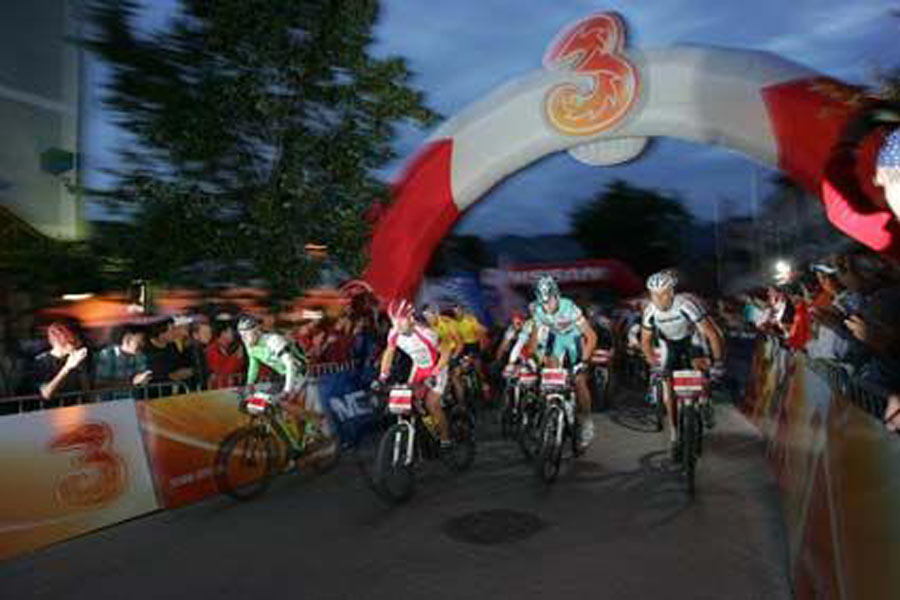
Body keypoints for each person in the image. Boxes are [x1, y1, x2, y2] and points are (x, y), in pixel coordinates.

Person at [640, 270, 725, 461]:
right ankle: (675, 434)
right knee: (668, 386)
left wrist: (718, 363)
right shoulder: (650, 311)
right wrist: (653, 363)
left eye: (664, 294)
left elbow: (711, 334)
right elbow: (645, 342)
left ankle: (705, 400)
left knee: (700, 366)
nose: (659, 299)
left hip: (691, 340)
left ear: (672, 292)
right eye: (655, 295)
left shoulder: (686, 304)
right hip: (669, 345)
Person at [373, 300, 454, 449]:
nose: (397, 325)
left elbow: (446, 352)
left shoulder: (426, 333)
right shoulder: (394, 333)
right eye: (393, 321)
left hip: (437, 367)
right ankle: (428, 427)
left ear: (410, 318)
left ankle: (445, 438)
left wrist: (434, 374)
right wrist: (382, 377)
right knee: (410, 399)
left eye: (400, 321)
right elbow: (389, 353)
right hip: (419, 367)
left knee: (431, 403)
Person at [529, 275, 598, 449]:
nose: (548, 307)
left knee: (579, 380)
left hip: (574, 340)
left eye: (550, 301)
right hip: (557, 341)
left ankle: (587, 422)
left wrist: (583, 361)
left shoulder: (569, 307)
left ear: (557, 295)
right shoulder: (539, 311)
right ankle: (548, 416)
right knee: (548, 378)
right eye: (544, 303)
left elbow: (591, 336)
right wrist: (533, 359)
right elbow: (534, 340)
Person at [33, 322, 92, 404]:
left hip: (75, 408)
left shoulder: (74, 358)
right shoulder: (41, 361)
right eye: (73, 341)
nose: (78, 345)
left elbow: (86, 391)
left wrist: (81, 369)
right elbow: (46, 394)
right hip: (53, 410)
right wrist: (67, 368)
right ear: (59, 341)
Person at [94, 324, 153, 397]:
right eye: (139, 341)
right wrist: (131, 382)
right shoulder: (107, 355)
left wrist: (143, 380)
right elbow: (100, 385)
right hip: (111, 401)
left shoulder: (140, 356)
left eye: (143, 341)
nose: (143, 344)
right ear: (127, 339)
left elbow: (140, 380)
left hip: (134, 401)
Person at [206, 317, 246, 389]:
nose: (233, 335)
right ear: (223, 333)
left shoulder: (230, 348)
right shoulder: (212, 350)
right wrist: (236, 357)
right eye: (230, 332)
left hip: (232, 387)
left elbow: (239, 369)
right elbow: (223, 370)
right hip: (218, 389)